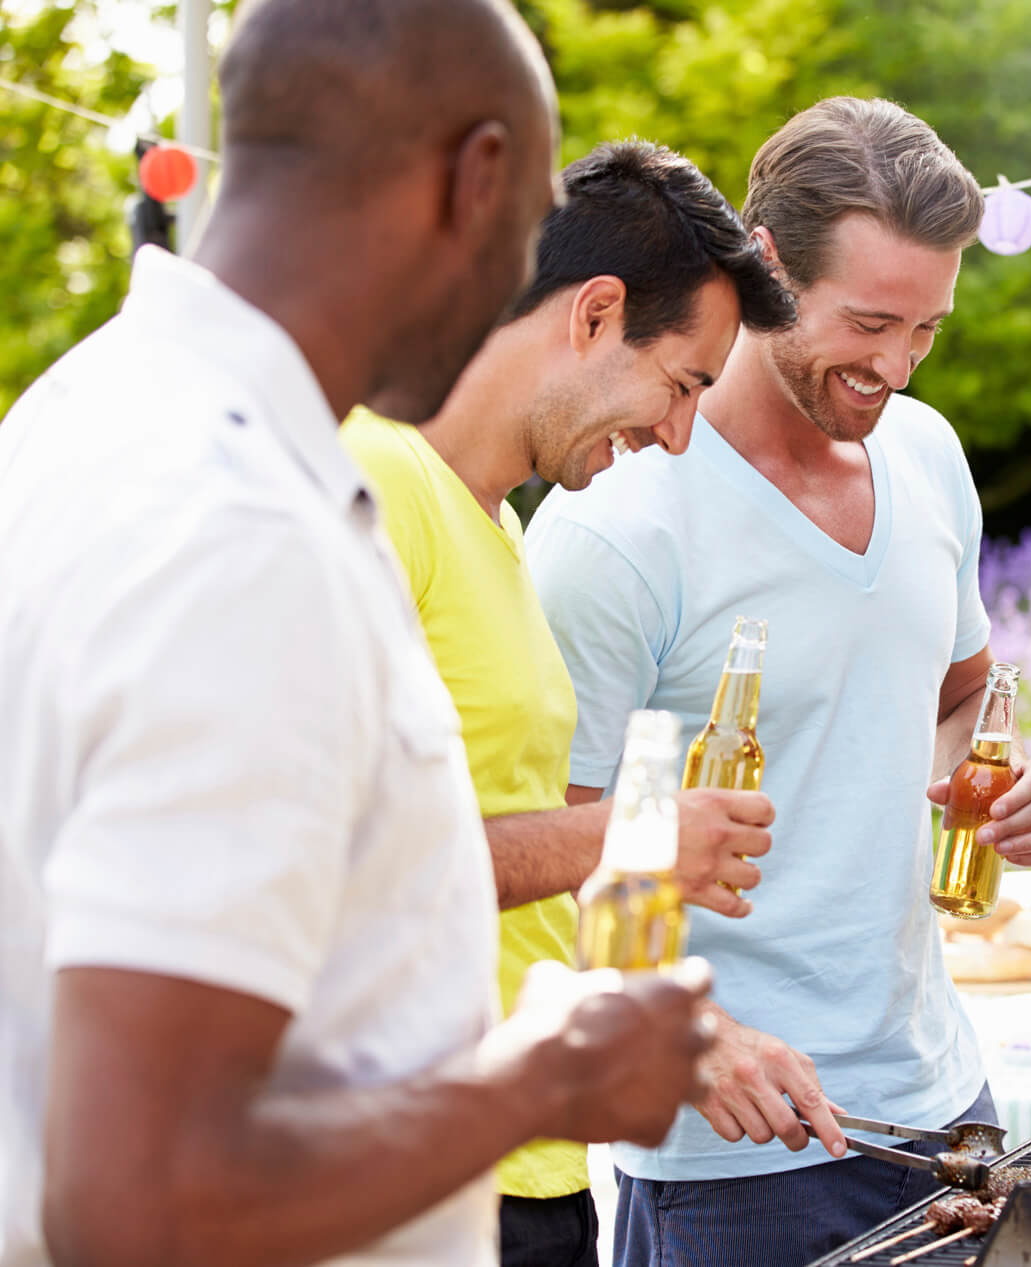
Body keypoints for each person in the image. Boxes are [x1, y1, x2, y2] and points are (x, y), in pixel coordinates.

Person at [0, 4, 715, 1265]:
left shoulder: (82, 412)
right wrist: (542, 1081)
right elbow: (138, 1202)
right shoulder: (239, 531)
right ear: (475, 175)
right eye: (528, 218)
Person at [525, 97, 1031, 1267]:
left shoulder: (926, 455)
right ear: (767, 268)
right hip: (738, 1157)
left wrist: (993, 781)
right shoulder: (617, 524)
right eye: (870, 321)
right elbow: (552, 857)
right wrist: (697, 1030)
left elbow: (956, 697)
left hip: (945, 1106)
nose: (896, 365)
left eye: (927, 330)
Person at [340, 138, 797, 1267]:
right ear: (595, 314)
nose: (676, 433)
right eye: (683, 383)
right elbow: (339, 857)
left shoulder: (497, 526)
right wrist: (639, 834)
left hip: (531, 1160)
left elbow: (503, 859)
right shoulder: (374, 479)